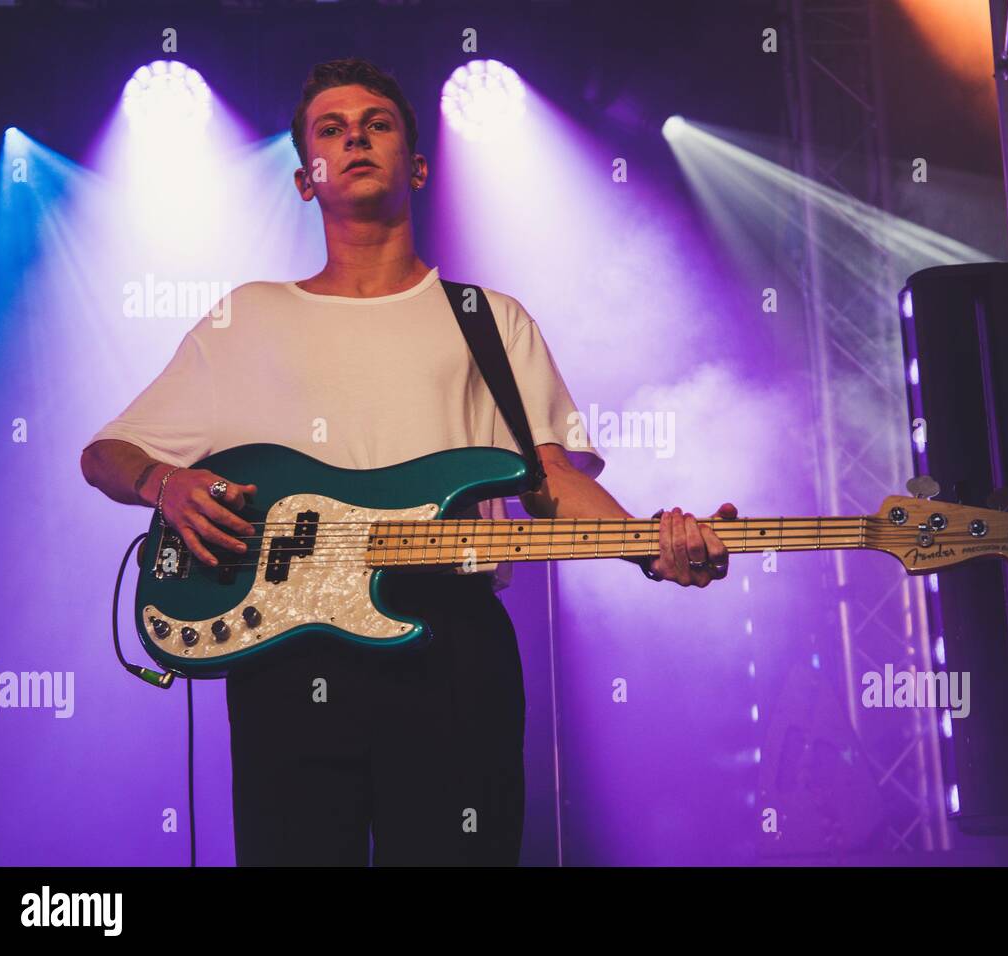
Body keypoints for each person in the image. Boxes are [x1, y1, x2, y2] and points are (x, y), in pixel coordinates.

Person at [80, 57, 736, 866]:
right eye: (331, 128)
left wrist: (652, 546)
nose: (355, 136)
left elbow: (553, 480)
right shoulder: (245, 318)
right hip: (287, 656)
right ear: (304, 179)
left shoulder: (489, 320)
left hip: (452, 648)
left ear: (417, 166)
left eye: (378, 123)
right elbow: (106, 452)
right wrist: (164, 481)